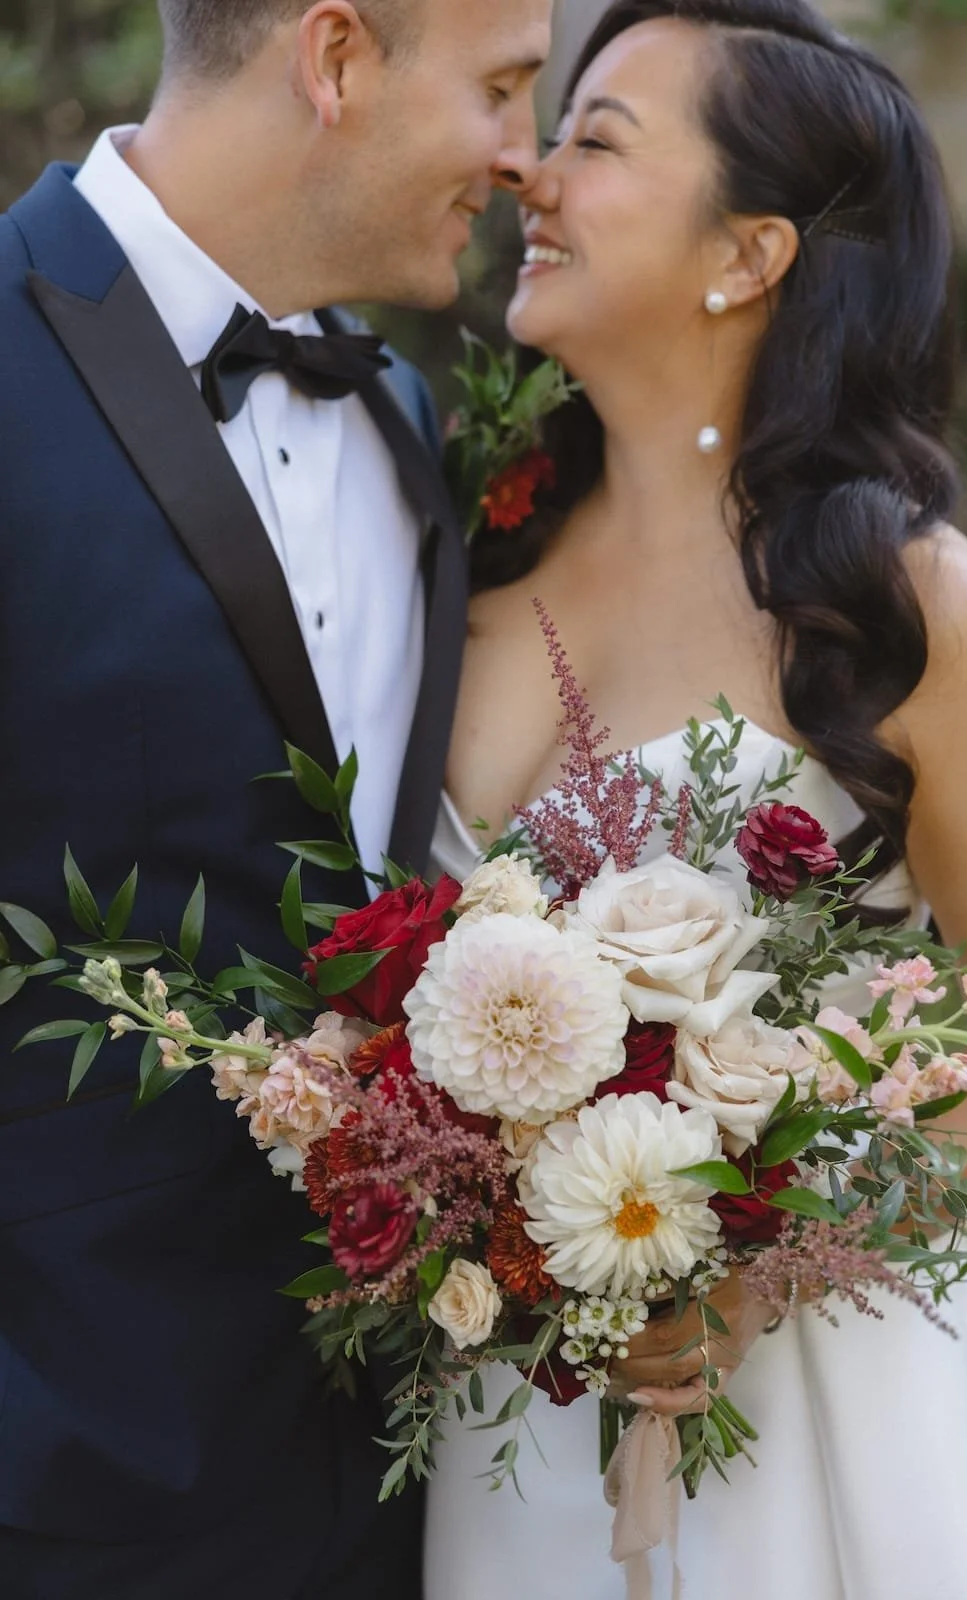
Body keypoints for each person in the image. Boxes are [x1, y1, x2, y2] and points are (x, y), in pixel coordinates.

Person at [425, 1, 967, 1595]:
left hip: (837, 1395)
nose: (532, 175)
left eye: (595, 139)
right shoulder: (462, 555)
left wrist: (761, 1269)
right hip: (514, 1398)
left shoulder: (906, 604)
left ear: (749, 252)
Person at [0, 2, 551, 1597]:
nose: (523, 157)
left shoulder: (403, 410)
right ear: (334, 60)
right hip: (58, 1479)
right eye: (503, 89)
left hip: (401, 1468)